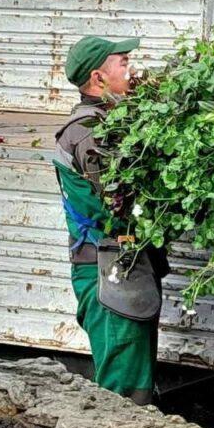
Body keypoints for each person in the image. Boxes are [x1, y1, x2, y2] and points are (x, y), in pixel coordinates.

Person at [53, 36, 166, 405]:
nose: (131, 70)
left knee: (137, 381)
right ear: (99, 78)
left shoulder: (108, 120)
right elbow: (123, 200)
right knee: (123, 393)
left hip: (120, 266)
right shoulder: (90, 133)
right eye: (123, 63)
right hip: (108, 269)